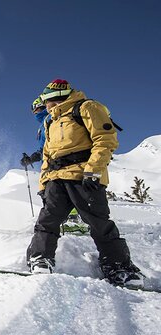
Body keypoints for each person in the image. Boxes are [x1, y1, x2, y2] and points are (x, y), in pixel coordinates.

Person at [26, 79, 144, 288]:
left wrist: (93, 170)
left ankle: (119, 267)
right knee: (48, 219)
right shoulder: (50, 122)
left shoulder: (86, 108)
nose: (44, 107)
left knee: (98, 221)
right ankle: (40, 258)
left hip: (83, 176)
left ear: (54, 98)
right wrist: (43, 185)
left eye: (45, 102)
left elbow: (105, 139)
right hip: (56, 178)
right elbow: (47, 156)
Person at [20, 98, 48, 167]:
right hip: (49, 164)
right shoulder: (43, 123)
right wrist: (31, 159)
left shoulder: (51, 119)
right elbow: (44, 147)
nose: (34, 113)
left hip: (58, 164)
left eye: (35, 110)